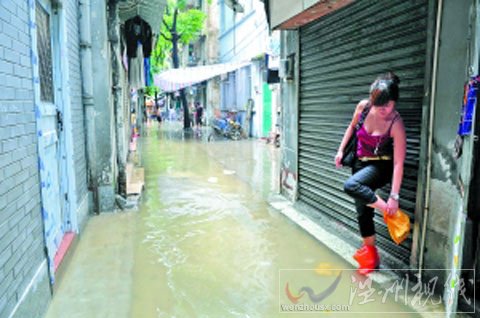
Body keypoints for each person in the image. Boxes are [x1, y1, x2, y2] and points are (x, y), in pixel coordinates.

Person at [334, 72, 406, 275]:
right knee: (363, 212)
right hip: (359, 163)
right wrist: (341, 150)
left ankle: (389, 212)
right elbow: (351, 127)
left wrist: (393, 197)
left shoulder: (396, 123)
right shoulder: (363, 107)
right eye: (379, 105)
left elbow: (399, 163)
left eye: (389, 105)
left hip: (381, 167)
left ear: (394, 102)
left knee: (351, 186)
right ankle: (371, 257)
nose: (384, 110)